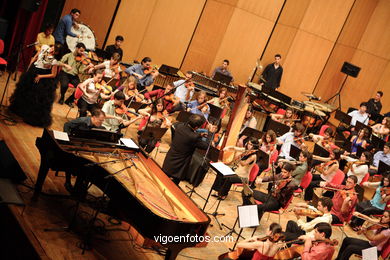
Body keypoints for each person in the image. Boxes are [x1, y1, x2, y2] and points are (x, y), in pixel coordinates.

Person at [9, 44, 71, 127]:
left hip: (42, 76)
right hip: (33, 71)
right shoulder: (44, 48)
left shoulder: (54, 61)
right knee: (26, 91)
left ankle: (31, 117)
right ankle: (21, 111)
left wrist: (40, 76)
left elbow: (53, 74)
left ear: (57, 53)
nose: (52, 50)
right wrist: (29, 68)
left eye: (55, 51)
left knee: (36, 97)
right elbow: (35, 58)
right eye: (53, 48)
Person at [162, 114, 216, 185]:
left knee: (161, 180)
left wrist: (198, 134)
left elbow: (185, 132)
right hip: (179, 166)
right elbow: (206, 146)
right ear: (196, 127)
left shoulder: (179, 125)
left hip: (169, 160)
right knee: (172, 186)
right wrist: (211, 133)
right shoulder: (194, 137)